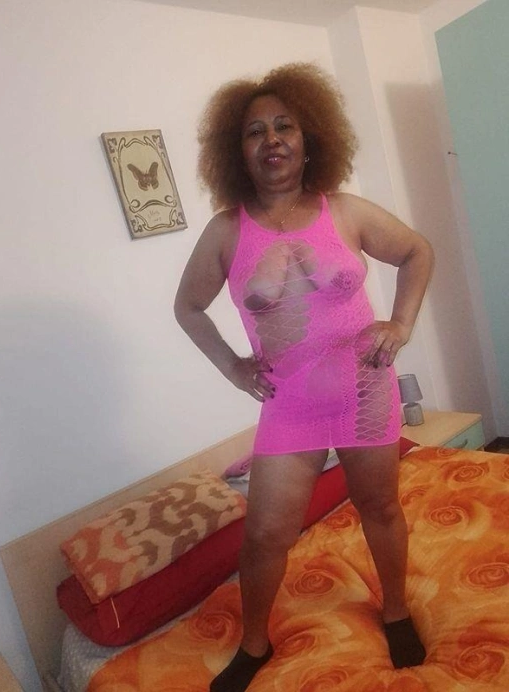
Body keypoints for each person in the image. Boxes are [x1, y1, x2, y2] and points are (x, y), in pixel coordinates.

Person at [174, 62, 434, 692]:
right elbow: (188, 307)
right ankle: (255, 643)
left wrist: (400, 324)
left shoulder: (342, 210)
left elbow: (416, 251)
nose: (272, 139)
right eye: (254, 131)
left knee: (380, 507)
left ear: (309, 136)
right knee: (266, 534)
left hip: (365, 392)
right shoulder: (227, 230)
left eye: (284, 125)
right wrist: (233, 366)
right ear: (237, 151)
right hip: (290, 407)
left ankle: (396, 610)